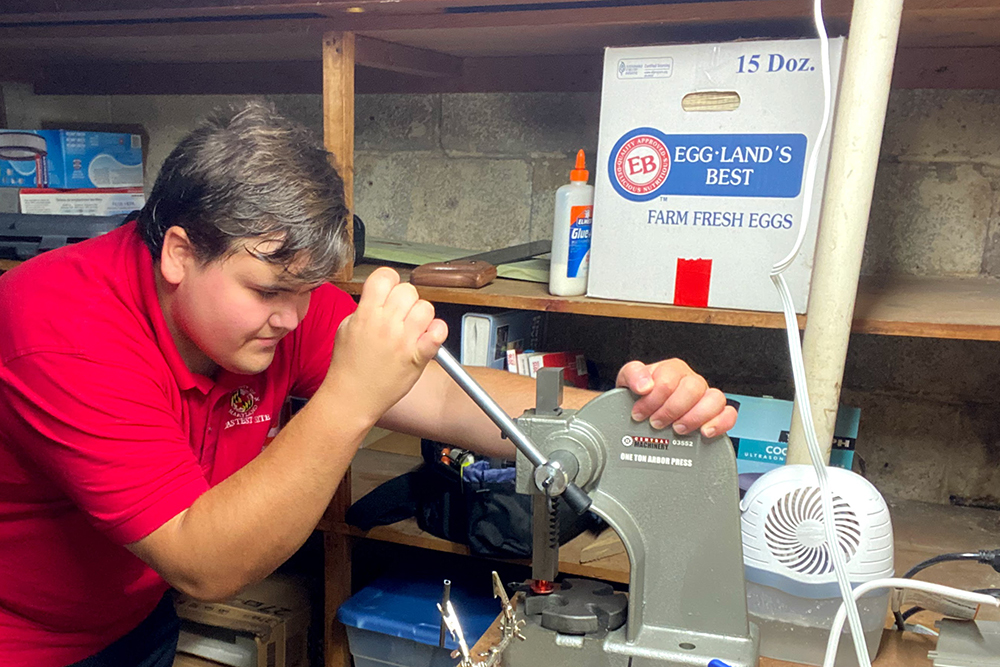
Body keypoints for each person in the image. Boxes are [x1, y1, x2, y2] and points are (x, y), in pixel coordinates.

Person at [0, 101, 737, 667]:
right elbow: (207, 561)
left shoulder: (277, 299)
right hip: (26, 639)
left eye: (309, 289)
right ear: (180, 252)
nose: (294, 317)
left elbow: (442, 396)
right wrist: (349, 396)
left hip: (133, 618)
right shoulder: (61, 332)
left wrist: (632, 417)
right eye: (267, 291)